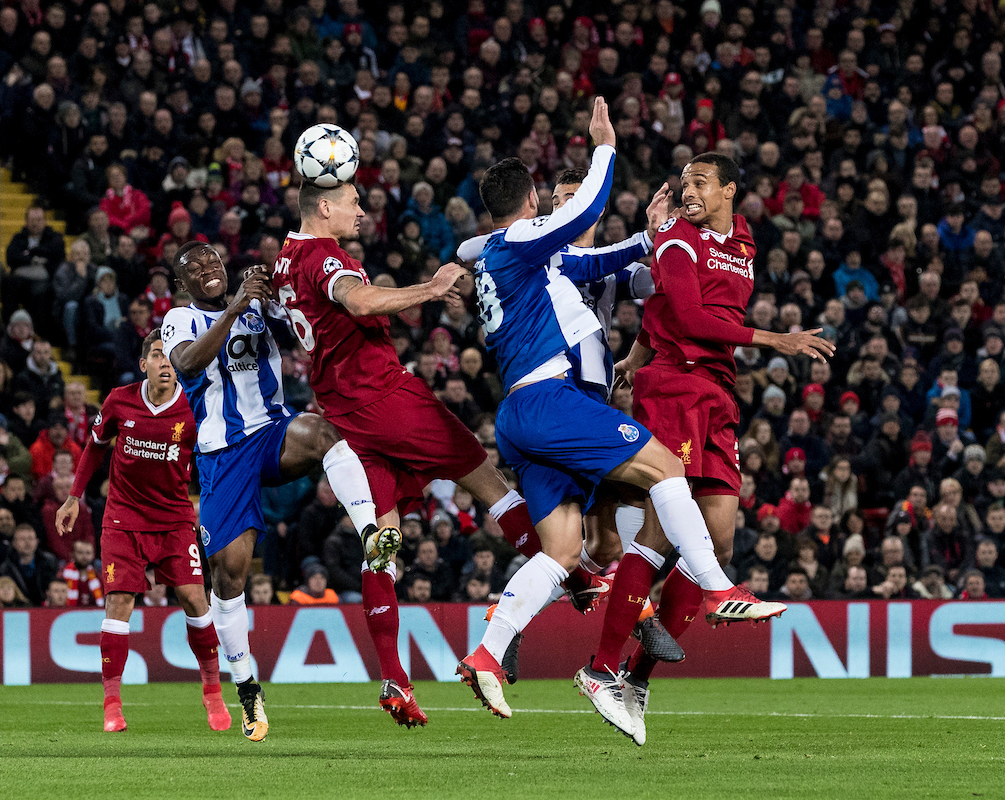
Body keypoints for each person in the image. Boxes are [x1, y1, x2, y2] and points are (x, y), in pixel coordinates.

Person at [451, 101, 785, 727]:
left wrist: (654, 234)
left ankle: (488, 654)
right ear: (532, 200)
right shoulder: (525, 243)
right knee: (665, 470)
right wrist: (605, 148)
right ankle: (717, 588)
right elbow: (583, 223)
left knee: (562, 549)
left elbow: (612, 265)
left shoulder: (504, 254)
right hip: (555, 401)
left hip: (526, 415)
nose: (561, 209)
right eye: (550, 199)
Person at [272, 148, 578, 729]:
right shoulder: (324, 257)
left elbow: (344, 314)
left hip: (344, 410)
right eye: (355, 200)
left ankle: (393, 676)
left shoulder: (287, 259)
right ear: (328, 205)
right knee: (481, 473)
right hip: (383, 398)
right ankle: (567, 572)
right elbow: (357, 300)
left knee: (383, 539)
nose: (362, 208)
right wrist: (431, 288)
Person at [602, 151, 836, 745]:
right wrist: (774, 338)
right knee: (661, 532)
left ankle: (637, 678)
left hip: (718, 394)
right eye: (683, 182)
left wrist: (633, 351)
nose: (688, 190)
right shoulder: (677, 239)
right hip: (676, 387)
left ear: (731, 189)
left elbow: (659, 310)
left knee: (721, 537)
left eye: (700, 182)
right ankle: (600, 668)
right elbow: (687, 313)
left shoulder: (743, 243)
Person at [164, 245, 391, 740]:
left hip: (271, 431)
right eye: (194, 269)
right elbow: (186, 365)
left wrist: (280, 295)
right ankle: (247, 690)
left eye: (213, 264)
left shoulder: (254, 300)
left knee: (321, 432)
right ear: (182, 283)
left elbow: (302, 328)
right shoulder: (180, 318)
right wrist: (237, 306)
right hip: (221, 451)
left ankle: (371, 532)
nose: (208, 272)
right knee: (230, 574)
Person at [56, 330, 231, 735]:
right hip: (123, 518)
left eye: (171, 357)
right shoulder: (119, 400)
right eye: (157, 356)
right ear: (144, 365)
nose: (166, 363)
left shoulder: (194, 405)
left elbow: (214, 453)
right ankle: (112, 704)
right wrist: (73, 496)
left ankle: (212, 692)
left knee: (193, 599)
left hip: (173, 519)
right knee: (118, 603)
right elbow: (96, 445)